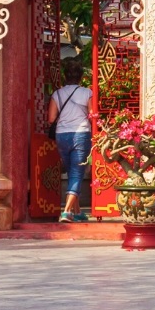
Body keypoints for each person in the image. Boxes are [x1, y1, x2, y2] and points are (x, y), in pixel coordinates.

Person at [46, 65, 94, 223]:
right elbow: (93, 115)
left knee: (72, 171)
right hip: (81, 134)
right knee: (76, 173)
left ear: (65, 77)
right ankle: (66, 212)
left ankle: (77, 211)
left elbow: (51, 119)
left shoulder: (57, 93)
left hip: (62, 136)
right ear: (81, 77)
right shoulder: (87, 93)